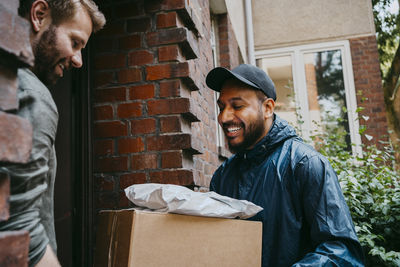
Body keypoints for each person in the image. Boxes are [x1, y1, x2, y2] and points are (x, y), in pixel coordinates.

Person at [206, 64, 365, 266]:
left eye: (237, 106)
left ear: (268, 108)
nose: (224, 117)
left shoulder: (305, 164)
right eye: (221, 108)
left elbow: (342, 253)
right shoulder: (222, 176)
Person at [0, 0, 105, 266]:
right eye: (75, 42)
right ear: (39, 15)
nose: (79, 60)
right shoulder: (32, 95)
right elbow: (20, 230)